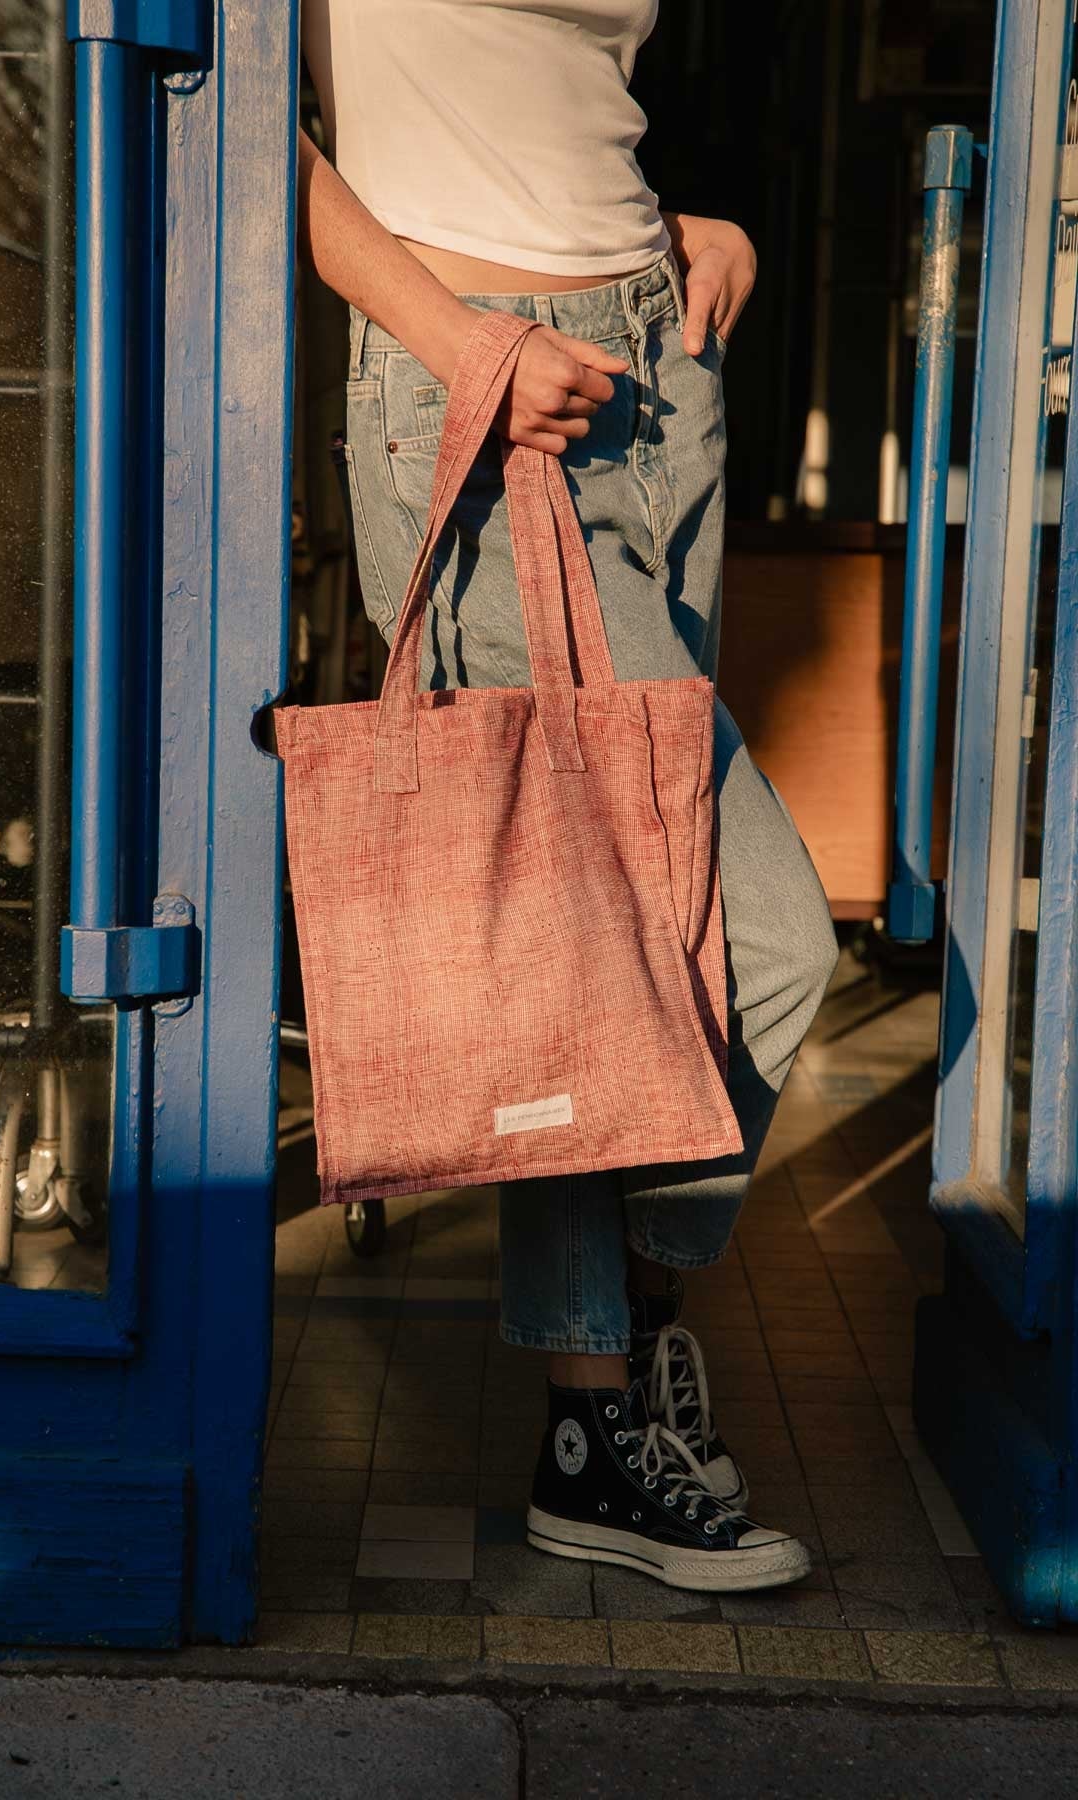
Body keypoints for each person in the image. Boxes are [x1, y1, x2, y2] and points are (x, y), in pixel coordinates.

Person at [297, 0, 839, 1592]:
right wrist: (463, 340)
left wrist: (670, 234)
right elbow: (260, 130)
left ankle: (620, 1366)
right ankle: (592, 1427)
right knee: (624, 939)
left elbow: (547, 86)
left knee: (693, 936)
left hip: (652, 370)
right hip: (474, 376)